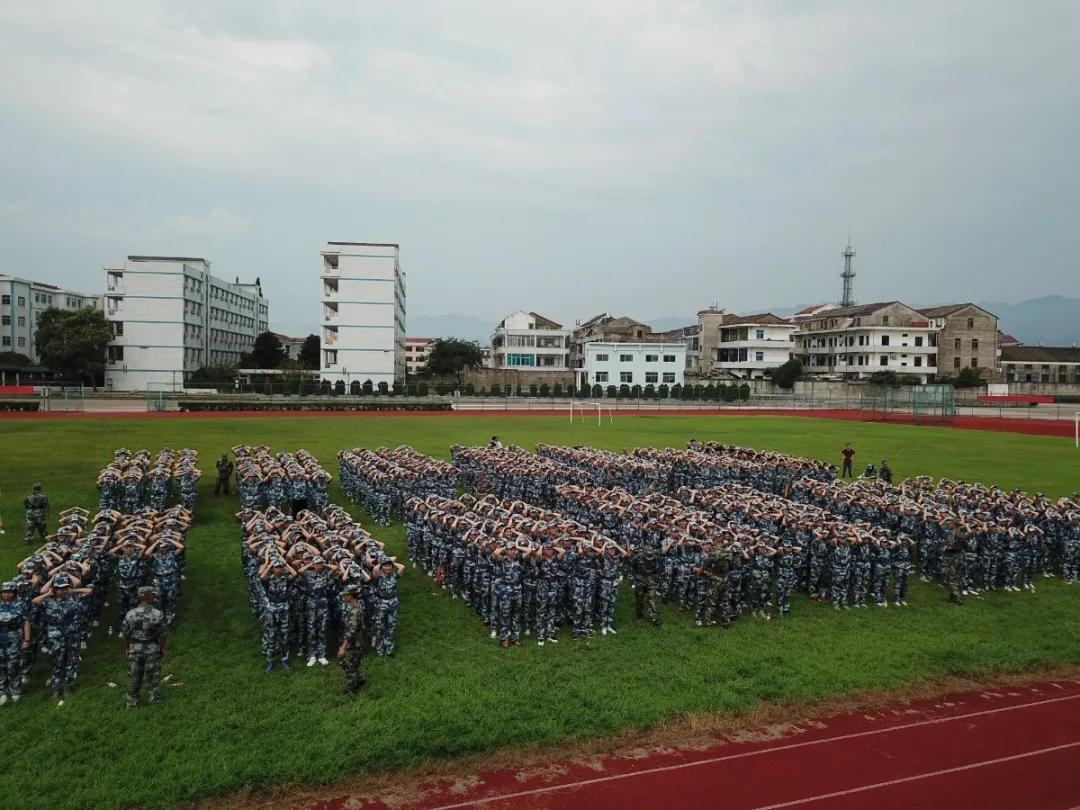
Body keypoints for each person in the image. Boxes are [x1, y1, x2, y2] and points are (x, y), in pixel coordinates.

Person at [122, 586, 167, 708]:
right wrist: (162, 648)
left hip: (134, 649)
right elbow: (163, 634)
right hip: (151, 648)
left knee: (134, 676)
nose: (154, 596)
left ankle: (131, 702)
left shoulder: (130, 614)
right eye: (152, 594)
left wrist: (127, 648)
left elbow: (125, 634)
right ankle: (154, 700)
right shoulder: (157, 614)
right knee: (153, 677)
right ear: (145, 596)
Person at [0, 581, 31, 705]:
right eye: (4, 592)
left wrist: (27, 639)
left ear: (14, 593)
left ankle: (15, 691)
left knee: (14, 665)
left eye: (9, 592)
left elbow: (26, 622)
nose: (6, 595)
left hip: (14, 638)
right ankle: (2, 692)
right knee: (1, 666)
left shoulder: (20, 605)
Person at [338, 584, 367, 695]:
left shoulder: (354, 612)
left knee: (348, 665)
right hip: (358, 642)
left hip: (353, 644)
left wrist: (343, 647)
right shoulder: (357, 606)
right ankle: (359, 680)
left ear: (351, 596)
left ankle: (352, 688)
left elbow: (351, 632)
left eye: (345, 595)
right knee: (355, 663)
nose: (344, 597)